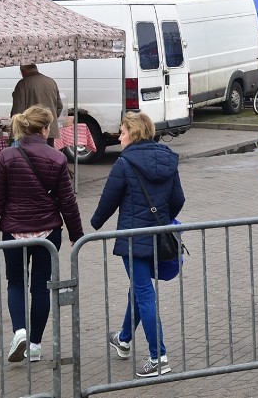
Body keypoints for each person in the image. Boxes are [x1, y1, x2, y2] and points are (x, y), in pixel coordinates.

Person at [0, 105, 83, 364]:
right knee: (40, 287)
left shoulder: (6, 157)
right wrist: (76, 234)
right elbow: (67, 201)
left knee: (15, 283)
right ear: (46, 128)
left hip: (14, 232)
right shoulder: (57, 158)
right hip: (48, 234)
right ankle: (35, 345)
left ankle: (20, 332)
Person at [90, 112, 186, 378]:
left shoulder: (124, 163)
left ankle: (159, 357)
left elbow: (109, 200)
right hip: (159, 236)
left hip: (133, 240)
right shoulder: (168, 159)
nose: (118, 137)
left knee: (145, 294)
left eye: (121, 132)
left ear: (132, 134)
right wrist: (164, 218)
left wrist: (93, 224)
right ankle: (123, 339)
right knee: (140, 289)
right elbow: (178, 199)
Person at [11, 64, 63, 146]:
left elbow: (18, 111)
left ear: (23, 71)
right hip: (49, 130)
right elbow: (59, 106)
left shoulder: (22, 84)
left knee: (33, 157)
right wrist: (47, 120)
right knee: (49, 156)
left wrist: (13, 133)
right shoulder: (51, 82)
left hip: (31, 131)